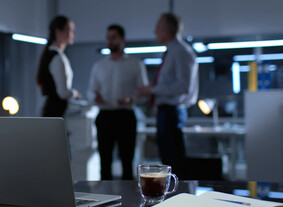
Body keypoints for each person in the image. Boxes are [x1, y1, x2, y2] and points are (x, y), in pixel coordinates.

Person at [137, 13, 199, 178]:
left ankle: (178, 199)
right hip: (166, 112)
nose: (154, 31)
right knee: (167, 159)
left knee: (173, 162)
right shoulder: (172, 51)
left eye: (157, 28)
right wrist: (154, 88)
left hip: (172, 111)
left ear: (166, 30)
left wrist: (153, 89)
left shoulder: (180, 51)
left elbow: (182, 86)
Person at [88, 24, 148, 180]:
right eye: (108, 38)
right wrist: (95, 97)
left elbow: (144, 93)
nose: (110, 41)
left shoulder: (135, 64)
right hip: (105, 116)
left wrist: (131, 99)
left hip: (125, 116)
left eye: (113, 37)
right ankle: (105, 199)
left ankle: (128, 202)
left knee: (127, 162)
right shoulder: (99, 65)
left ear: (123, 39)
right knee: (104, 162)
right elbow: (90, 91)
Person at [36, 15, 81, 117]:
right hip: (56, 111)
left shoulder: (52, 54)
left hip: (54, 109)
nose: (73, 34)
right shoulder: (57, 57)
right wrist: (75, 94)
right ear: (58, 32)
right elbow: (63, 93)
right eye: (70, 30)